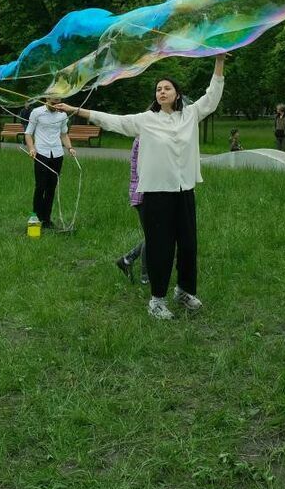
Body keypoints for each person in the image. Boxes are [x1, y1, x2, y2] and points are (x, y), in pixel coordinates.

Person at [57, 56, 225, 320]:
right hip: (157, 194)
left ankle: (184, 291)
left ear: (177, 94)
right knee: (161, 247)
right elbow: (113, 120)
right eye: (158, 89)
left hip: (184, 191)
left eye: (167, 88)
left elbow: (212, 96)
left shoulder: (190, 114)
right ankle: (157, 300)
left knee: (189, 245)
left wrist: (219, 62)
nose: (162, 91)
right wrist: (75, 110)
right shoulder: (145, 120)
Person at [24, 97, 76, 229]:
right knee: (40, 186)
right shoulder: (37, 112)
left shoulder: (62, 114)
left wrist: (70, 147)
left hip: (57, 154)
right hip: (41, 153)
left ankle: (46, 219)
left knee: (51, 188)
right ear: (47, 99)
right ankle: (35, 218)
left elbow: (64, 134)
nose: (56, 106)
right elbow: (28, 133)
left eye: (58, 103)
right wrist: (31, 148)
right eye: (53, 103)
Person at [113, 137, 150, 287]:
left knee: (156, 234)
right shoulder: (144, 140)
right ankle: (145, 276)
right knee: (153, 235)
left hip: (147, 192)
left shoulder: (147, 137)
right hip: (144, 193)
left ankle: (127, 259)